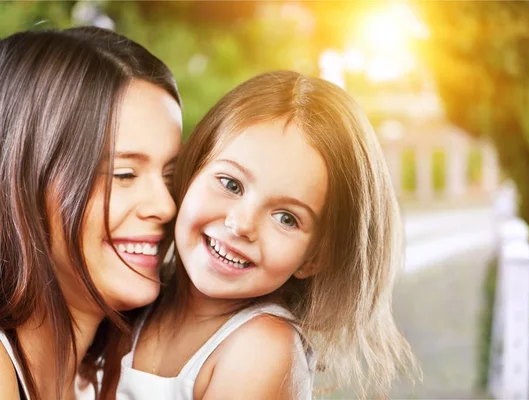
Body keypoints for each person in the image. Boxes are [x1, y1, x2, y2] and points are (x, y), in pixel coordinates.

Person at [117, 70, 418, 399]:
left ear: (315, 257)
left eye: (286, 218)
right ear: (192, 170)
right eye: (231, 184)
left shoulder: (261, 347)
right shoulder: (139, 293)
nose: (242, 224)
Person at [0, 26, 182, 400]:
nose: (166, 206)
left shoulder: (104, 384)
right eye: (125, 174)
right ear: (24, 181)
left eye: (170, 176)